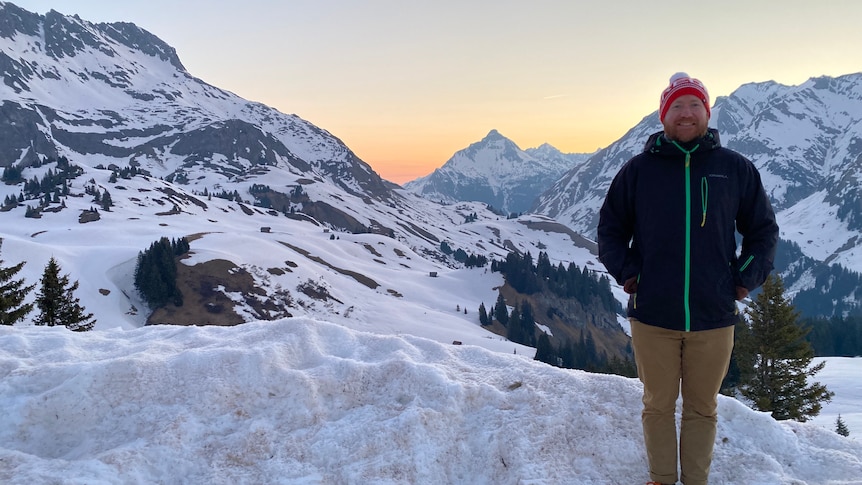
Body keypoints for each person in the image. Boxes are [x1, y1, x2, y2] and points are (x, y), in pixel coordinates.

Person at [597, 72, 779, 485]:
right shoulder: (638, 171)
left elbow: (763, 231)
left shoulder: (734, 168)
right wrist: (629, 273)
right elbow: (610, 229)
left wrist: (746, 277)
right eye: (677, 106)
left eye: (694, 105)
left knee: (702, 408)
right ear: (663, 115)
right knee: (657, 405)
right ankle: (662, 478)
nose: (686, 113)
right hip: (653, 314)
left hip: (713, 314)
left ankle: (695, 480)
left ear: (706, 113)